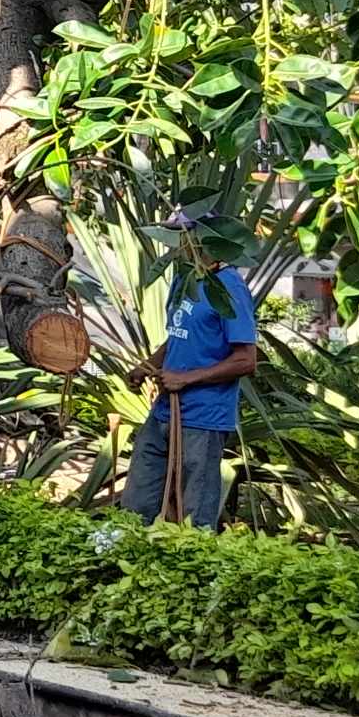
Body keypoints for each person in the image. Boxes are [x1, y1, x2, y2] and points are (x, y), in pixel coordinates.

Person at [120, 210, 260, 529]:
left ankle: (197, 571)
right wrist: (147, 366)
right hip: (164, 412)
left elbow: (246, 360)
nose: (178, 244)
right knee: (135, 502)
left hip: (204, 419)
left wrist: (187, 379)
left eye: (184, 236)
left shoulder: (229, 287)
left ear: (205, 239)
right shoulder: (185, 278)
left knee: (195, 513)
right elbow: (179, 335)